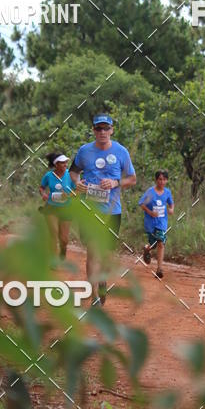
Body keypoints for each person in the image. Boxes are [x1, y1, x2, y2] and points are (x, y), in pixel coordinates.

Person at [69, 114, 136, 306]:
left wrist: (115, 182)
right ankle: (94, 298)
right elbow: (73, 172)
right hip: (89, 210)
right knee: (92, 252)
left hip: (112, 212)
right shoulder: (84, 151)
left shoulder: (121, 152)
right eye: (99, 128)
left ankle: (102, 280)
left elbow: (132, 179)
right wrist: (77, 183)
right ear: (93, 130)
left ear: (112, 130)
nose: (102, 132)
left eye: (106, 128)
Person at [139, 170, 174, 279]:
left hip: (162, 222)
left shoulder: (167, 192)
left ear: (167, 180)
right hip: (151, 223)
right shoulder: (151, 192)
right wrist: (150, 212)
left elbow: (171, 203)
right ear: (156, 180)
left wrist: (171, 209)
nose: (162, 182)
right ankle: (147, 249)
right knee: (154, 244)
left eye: (164, 179)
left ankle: (159, 269)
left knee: (161, 243)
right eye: (160, 179)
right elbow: (142, 204)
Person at [40, 153, 75, 259]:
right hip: (51, 207)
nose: (65, 164)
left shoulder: (70, 175)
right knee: (54, 234)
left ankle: (62, 252)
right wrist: (43, 194)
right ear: (56, 164)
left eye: (66, 162)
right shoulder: (49, 175)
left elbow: (76, 190)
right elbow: (41, 187)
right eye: (62, 162)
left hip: (66, 208)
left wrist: (68, 195)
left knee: (64, 239)